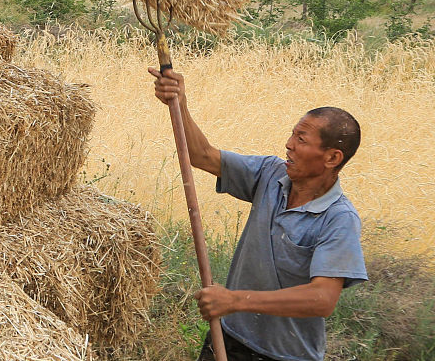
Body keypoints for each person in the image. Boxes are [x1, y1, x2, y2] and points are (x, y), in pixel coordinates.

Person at [150, 68, 367, 361]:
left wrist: (235, 300)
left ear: (331, 158)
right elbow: (200, 155)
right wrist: (179, 102)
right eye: (292, 134)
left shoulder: (339, 219)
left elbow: (322, 299)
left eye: (301, 140)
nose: (289, 144)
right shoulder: (270, 173)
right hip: (227, 338)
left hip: (284, 355)